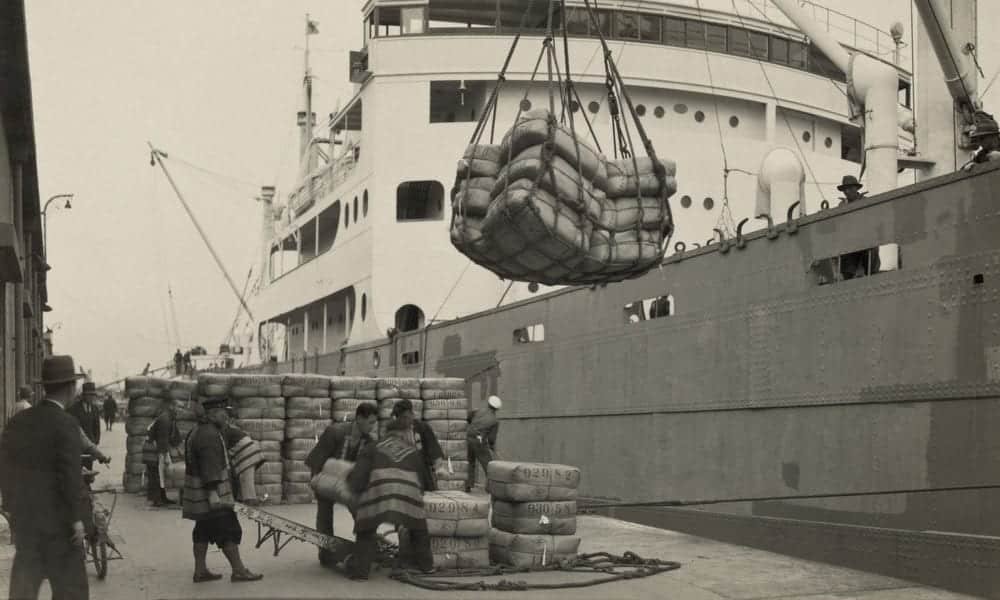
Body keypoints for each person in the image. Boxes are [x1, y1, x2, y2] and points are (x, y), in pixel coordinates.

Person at [0, 355, 90, 600]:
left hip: (27, 525)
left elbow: (4, 467)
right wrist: (76, 520)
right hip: (60, 528)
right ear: (70, 388)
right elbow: (70, 475)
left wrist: (9, 507)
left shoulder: (17, 422)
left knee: (23, 592)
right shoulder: (66, 424)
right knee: (71, 592)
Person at [183, 396, 262, 583]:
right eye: (223, 413)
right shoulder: (209, 435)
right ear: (213, 414)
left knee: (202, 530)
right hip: (214, 494)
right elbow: (210, 465)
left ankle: (200, 571)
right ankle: (239, 571)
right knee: (228, 530)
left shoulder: (198, 430)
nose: (226, 416)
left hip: (199, 494)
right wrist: (212, 493)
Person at [346, 418, 435, 580]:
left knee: (366, 528)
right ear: (404, 433)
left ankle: (360, 572)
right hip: (408, 496)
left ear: (387, 433)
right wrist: (418, 496)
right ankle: (427, 567)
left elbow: (358, 478)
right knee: (419, 528)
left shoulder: (372, 447)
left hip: (379, 493)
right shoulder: (413, 452)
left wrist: (354, 490)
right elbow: (424, 482)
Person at [304, 402, 378, 567]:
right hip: (326, 476)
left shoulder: (369, 441)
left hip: (348, 480)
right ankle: (325, 553)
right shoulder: (335, 432)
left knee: (361, 510)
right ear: (359, 418)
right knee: (324, 513)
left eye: (375, 423)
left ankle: (365, 548)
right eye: (371, 422)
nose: (373, 427)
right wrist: (317, 484)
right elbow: (317, 460)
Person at [390, 399, 445, 491]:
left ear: (412, 414)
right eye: (400, 418)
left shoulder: (422, 427)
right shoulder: (393, 430)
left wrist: (439, 467)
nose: (403, 421)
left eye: (405, 417)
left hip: (423, 472)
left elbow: (433, 449)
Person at [145, 396, 180, 507]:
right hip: (155, 450)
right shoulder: (165, 419)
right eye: (176, 406)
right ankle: (157, 499)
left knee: (161, 474)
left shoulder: (169, 418)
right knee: (157, 474)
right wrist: (164, 456)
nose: (178, 409)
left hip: (157, 448)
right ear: (171, 406)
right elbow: (162, 439)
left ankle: (162, 497)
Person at [465, 395, 501, 493]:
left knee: (470, 462)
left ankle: (467, 485)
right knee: (488, 464)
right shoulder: (495, 421)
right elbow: (491, 439)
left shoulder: (477, 411)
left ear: (488, 403)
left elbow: (468, 417)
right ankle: (490, 487)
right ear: (497, 409)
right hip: (479, 442)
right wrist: (492, 447)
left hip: (468, 437)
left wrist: (472, 426)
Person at [68, 382, 102, 470]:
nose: (91, 397)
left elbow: (97, 428)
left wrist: (95, 442)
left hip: (90, 447)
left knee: (88, 471)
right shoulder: (73, 409)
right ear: (83, 396)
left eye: (93, 395)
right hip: (77, 447)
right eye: (89, 395)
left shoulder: (95, 409)